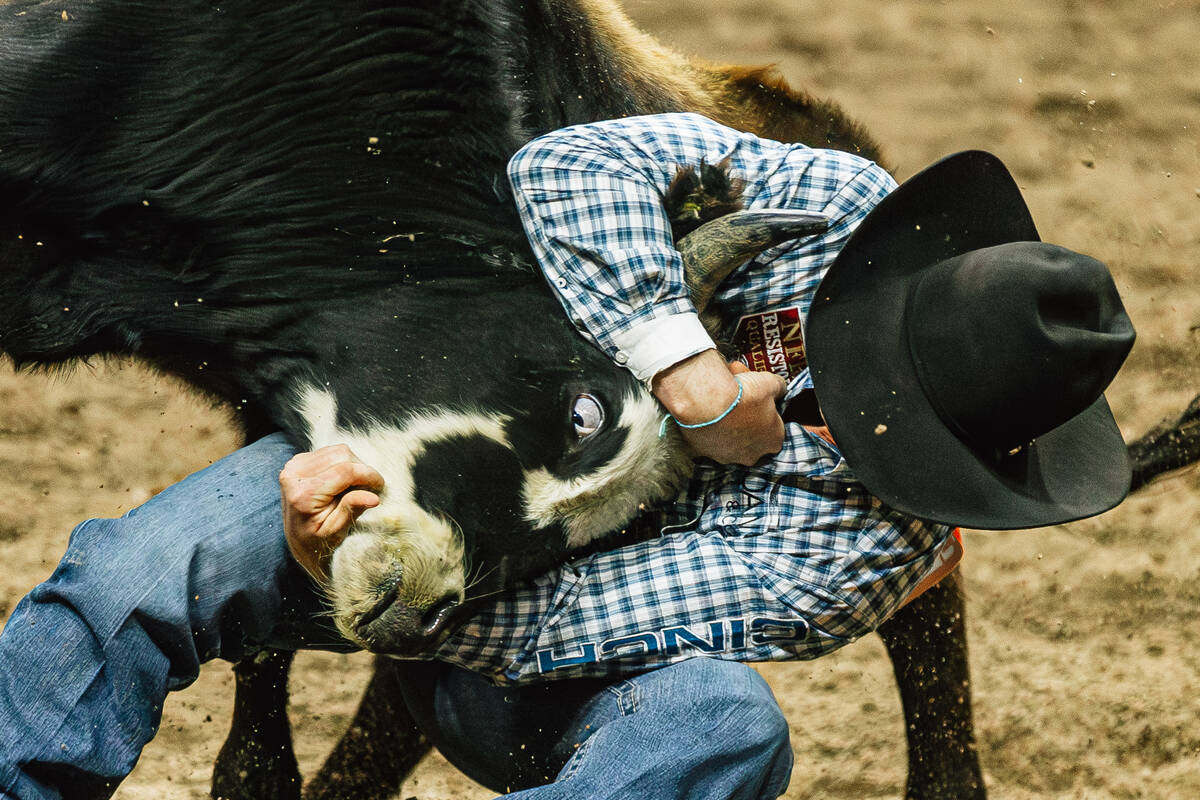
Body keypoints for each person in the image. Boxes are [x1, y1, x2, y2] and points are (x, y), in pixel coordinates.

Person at [0, 113, 1135, 800]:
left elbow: (550, 628)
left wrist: (333, 563)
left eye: (892, 432)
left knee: (719, 728)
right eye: (862, 372)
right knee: (132, 575)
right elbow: (571, 168)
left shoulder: (863, 554)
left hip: (521, 657)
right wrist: (684, 368)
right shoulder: (841, 204)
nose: (830, 413)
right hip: (449, 437)